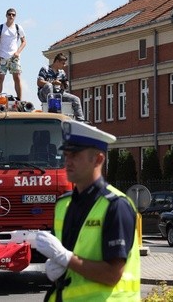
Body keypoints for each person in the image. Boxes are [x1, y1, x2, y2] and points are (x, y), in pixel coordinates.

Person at [35, 121, 140, 301]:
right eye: (66, 154)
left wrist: (66, 259)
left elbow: (112, 275)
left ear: (98, 159)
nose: (67, 161)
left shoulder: (116, 206)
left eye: (74, 155)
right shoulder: (63, 204)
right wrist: (56, 264)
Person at [37, 52, 85, 121]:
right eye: (63, 63)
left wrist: (64, 85)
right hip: (44, 94)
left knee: (76, 99)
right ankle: (53, 110)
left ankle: (80, 121)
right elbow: (39, 82)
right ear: (57, 62)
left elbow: (66, 83)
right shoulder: (45, 69)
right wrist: (53, 82)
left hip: (58, 93)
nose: (64, 65)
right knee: (49, 85)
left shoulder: (62, 72)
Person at [0, 8, 26, 100]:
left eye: (13, 15)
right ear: (6, 15)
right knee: (0, 78)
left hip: (14, 57)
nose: (11, 16)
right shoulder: (0, 27)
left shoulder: (18, 28)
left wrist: (18, 52)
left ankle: (20, 100)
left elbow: (24, 42)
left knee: (17, 77)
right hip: (2, 56)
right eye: (9, 14)